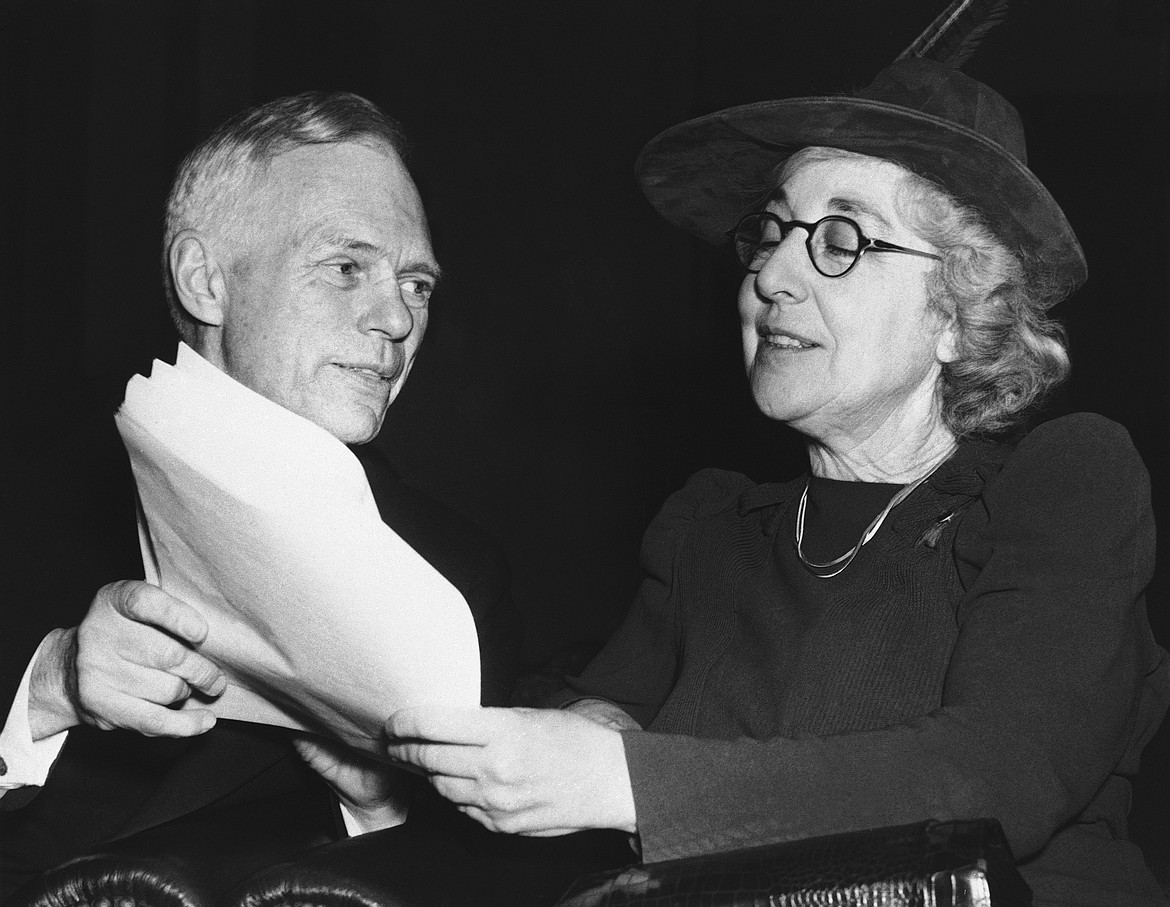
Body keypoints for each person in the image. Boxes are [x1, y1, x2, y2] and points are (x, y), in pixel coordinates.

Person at [379, 60, 1170, 905]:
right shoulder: (712, 526)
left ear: (954, 312)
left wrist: (622, 781)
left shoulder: (1064, 484)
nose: (772, 276)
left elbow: (997, 776)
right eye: (772, 232)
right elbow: (599, 722)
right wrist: (402, 765)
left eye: (841, 239)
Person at [0, 91, 521, 897]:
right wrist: (50, 686)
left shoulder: (452, 576)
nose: (395, 318)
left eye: (416, 284)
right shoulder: (26, 487)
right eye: (345, 267)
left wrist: (381, 807)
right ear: (206, 280)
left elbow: (479, 876)